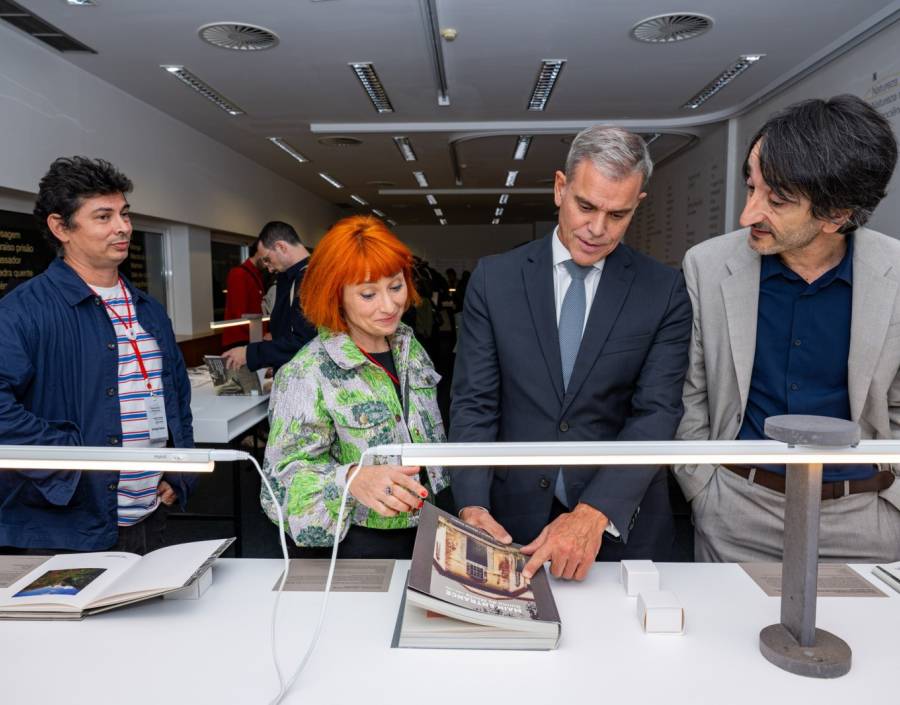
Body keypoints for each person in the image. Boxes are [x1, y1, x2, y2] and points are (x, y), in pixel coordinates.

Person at [450, 126, 692, 581]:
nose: (597, 229)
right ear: (560, 188)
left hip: (621, 525)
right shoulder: (494, 281)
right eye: (586, 206)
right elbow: (475, 404)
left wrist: (593, 512)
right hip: (510, 524)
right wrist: (472, 503)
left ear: (638, 204)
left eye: (617, 214)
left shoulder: (663, 290)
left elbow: (656, 414)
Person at [674, 95, 900, 563]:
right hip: (735, 515)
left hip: (865, 524)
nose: (747, 214)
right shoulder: (707, 267)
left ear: (837, 215)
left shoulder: (895, 277)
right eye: (750, 187)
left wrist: (892, 505)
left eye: (776, 201)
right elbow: (689, 394)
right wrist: (703, 490)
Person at [0, 156, 194, 553]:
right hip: (65, 525)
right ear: (60, 227)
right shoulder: (23, 310)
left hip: (148, 514)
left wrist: (178, 474)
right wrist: (71, 461)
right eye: (103, 217)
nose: (122, 227)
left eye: (124, 214)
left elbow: (176, 396)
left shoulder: (149, 310)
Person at [261, 215, 449, 558]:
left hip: (428, 530)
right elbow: (278, 488)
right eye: (368, 294)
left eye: (395, 286)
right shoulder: (307, 372)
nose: (389, 306)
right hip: (358, 546)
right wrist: (350, 479)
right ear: (337, 295)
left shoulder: (411, 349)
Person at [222, 221, 315, 374]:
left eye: (267, 259)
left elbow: (305, 342)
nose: (267, 267)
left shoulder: (310, 279)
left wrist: (249, 353)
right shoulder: (289, 277)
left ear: (281, 247)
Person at [220, 240, 267, 350]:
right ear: (258, 252)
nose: (267, 264)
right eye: (266, 258)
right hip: (239, 339)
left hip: (253, 337)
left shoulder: (257, 275)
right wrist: (262, 334)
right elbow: (239, 313)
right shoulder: (239, 274)